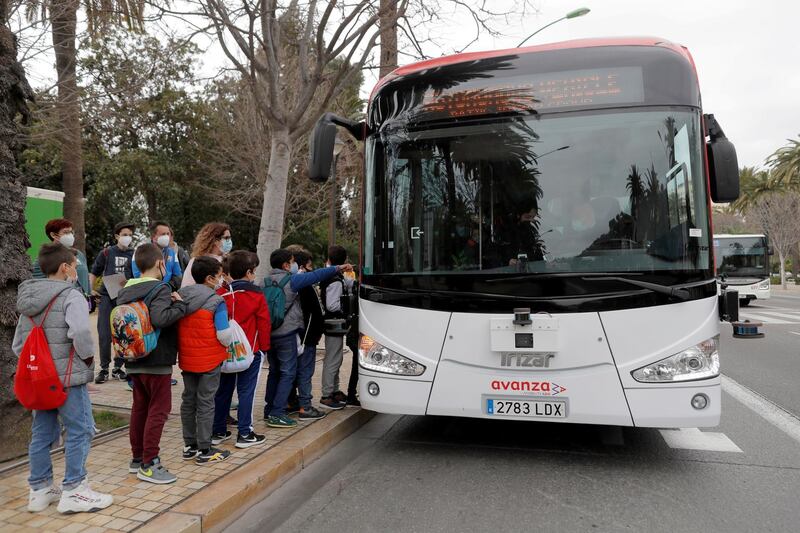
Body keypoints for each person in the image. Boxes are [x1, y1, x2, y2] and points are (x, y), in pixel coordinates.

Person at [13, 243, 113, 514]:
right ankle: (74, 489)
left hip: (41, 381)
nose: (77, 269)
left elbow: (18, 345)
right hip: (69, 379)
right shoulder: (71, 296)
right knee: (80, 429)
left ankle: (40, 489)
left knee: (42, 433)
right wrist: (88, 359)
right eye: (74, 264)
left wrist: (39, 368)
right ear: (64, 268)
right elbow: (80, 332)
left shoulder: (29, 298)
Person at [118, 244, 187, 484]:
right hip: (156, 359)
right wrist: (179, 305)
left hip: (133, 357)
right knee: (159, 410)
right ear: (160, 264)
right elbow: (160, 318)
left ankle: (137, 458)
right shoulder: (161, 288)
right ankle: (150, 463)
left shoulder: (126, 289)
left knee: (140, 409)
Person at [264, 249, 352, 428]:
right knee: (290, 373)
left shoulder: (263, 282)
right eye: (292, 261)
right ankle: (280, 412)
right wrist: (338, 268)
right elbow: (318, 275)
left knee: (275, 372)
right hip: (288, 333)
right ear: (286, 265)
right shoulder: (292, 280)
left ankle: (270, 408)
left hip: (270, 334)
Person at [211, 251, 270, 448]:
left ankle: (218, 430)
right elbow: (263, 323)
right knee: (247, 392)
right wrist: (265, 348)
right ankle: (245, 433)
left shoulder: (220, 294)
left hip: (225, 352)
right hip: (250, 351)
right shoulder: (256, 295)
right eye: (253, 271)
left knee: (222, 392)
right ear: (248, 272)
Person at [178, 256, 234, 464]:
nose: (221, 280)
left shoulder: (181, 296)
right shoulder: (216, 300)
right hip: (210, 360)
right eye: (219, 276)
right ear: (210, 278)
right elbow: (223, 334)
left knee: (188, 400)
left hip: (187, 358)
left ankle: (189, 445)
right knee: (206, 402)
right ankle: (205, 448)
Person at [90, 222, 135, 384]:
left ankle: (118, 368)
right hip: (107, 297)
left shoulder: (134, 254)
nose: (127, 237)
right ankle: (103, 369)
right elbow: (94, 272)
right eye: (124, 234)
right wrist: (91, 290)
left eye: (129, 235)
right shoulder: (107, 253)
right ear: (117, 236)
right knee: (104, 334)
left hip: (125, 298)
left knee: (122, 333)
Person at [285, 247, 327, 420]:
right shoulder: (304, 285)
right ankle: (305, 406)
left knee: (291, 371)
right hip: (306, 336)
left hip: (291, 335)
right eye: (309, 265)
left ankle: (290, 401)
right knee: (305, 371)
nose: (311, 269)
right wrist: (316, 334)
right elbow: (315, 313)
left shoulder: (287, 283)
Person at [319, 246, 357, 410]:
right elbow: (332, 305)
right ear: (345, 259)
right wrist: (345, 305)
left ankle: (334, 390)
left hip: (334, 323)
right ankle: (327, 394)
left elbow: (350, 283)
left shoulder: (335, 276)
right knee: (333, 359)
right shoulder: (335, 281)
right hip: (333, 322)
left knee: (336, 357)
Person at [32, 218, 91, 299]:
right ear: (53, 235)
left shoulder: (79, 254)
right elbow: (37, 283)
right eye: (66, 232)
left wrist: (89, 295)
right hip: (60, 304)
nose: (70, 235)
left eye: (71, 232)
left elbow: (85, 277)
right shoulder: (46, 256)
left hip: (82, 301)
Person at [131, 221, 183, 288]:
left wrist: (166, 287)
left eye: (168, 234)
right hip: (147, 291)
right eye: (163, 234)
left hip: (166, 290)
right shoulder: (141, 251)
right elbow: (137, 275)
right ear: (153, 237)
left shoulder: (171, 252)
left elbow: (177, 276)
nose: (166, 237)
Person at [181, 222, 232, 288]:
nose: (229, 241)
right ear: (215, 240)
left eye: (230, 238)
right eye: (226, 238)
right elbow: (187, 287)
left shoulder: (228, 260)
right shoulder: (197, 262)